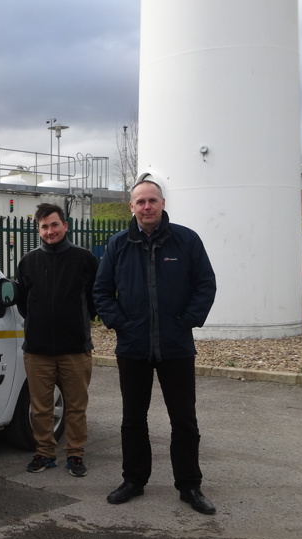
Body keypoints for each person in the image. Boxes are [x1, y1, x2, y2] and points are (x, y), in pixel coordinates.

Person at [93, 177, 218, 515]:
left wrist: (184, 320)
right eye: (140, 202)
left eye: (152, 201)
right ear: (131, 207)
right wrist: (121, 323)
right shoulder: (118, 245)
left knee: (184, 420)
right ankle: (134, 480)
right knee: (133, 419)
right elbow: (101, 291)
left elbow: (205, 284)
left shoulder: (186, 241)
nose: (147, 207)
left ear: (162, 204)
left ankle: (189, 485)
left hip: (176, 346)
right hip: (133, 347)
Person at [16, 203, 98, 477]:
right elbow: (24, 304)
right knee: (41, 407)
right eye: (44, 227)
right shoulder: (28, 262)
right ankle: (45, 453)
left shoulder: (84, 259)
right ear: (37, 230)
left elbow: (93, 300)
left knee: (76, 407)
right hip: (38, 350)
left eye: (54, 225)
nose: (49, 231)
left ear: (65, 225)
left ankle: (75, 455)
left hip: (75, 348)